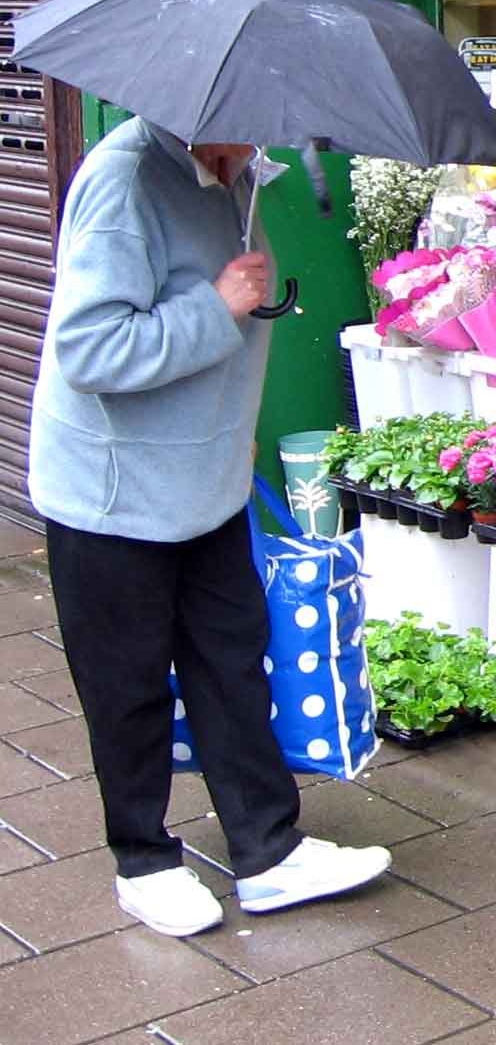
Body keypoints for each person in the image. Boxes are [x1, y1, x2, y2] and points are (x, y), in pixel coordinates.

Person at [28, 119, 391, 939]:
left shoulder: (240, 176)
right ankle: (144, 858)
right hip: (114, 490)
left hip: (208, 478)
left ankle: (267, 850)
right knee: (127, 684)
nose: (264, 129)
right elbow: (90, 348)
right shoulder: (124, 181)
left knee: (232, 661)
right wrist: (216, 305)